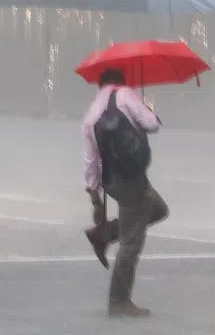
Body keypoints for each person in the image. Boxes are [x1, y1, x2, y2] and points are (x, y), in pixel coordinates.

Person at [82, 68, 168, 317]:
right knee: (132, 243)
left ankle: (105, 234)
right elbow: (152, 125)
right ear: (121, 82)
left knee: (158, 209)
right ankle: (119, 301)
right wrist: (147, 107)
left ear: (101, 85)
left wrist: (95, 200)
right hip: (132, 179)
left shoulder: (91, 113)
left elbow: (90, 160)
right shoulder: (127, 95)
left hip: (112, 182)